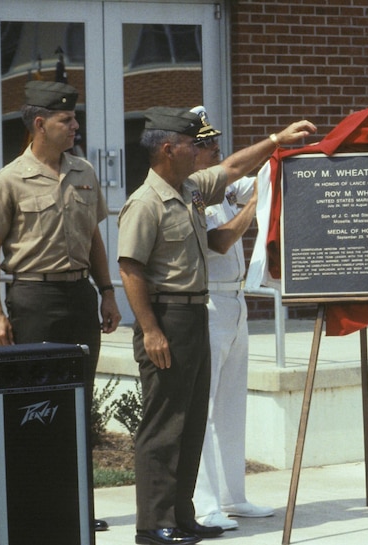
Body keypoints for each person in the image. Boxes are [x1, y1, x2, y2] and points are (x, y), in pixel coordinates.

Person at [118, 107, 315, 545]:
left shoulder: (188, 189)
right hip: (167, 316)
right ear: (169, 149)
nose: (200, 151)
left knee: (190, 424)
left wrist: (277, 139)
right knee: (164, 427)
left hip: (194, 311)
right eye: (193, 144)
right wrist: (149, 329)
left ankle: (182, 515)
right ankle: (154, 523)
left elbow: (233, 167)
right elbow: (130, 269)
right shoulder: (145, 202)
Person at [0, 80, 122, 533]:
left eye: (74, 118)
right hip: (33, 298)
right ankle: (38, 503)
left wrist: (107, 291)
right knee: (37, 405)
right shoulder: (9, 179)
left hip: (79, 297)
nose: (75, 125)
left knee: (79, 403)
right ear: (40, 124)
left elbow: (95, 237)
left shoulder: (83, 171)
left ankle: (77, 504)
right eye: (67, 120)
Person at [187, 107, 274, 531]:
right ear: (192, 150)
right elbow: (219, 242)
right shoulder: (189, 192)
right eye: (208, 146)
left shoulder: (221, 185)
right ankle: (205, 504)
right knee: (203, 409)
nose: (217, 152)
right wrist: (253, 207)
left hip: (235, 302)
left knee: (231, 407)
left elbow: (258, 179)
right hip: (206, 305)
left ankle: (232, 496)